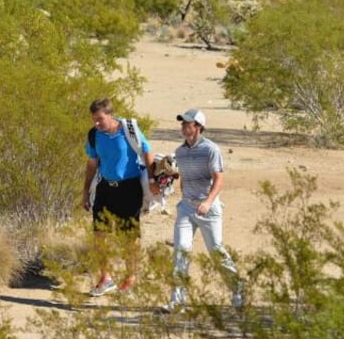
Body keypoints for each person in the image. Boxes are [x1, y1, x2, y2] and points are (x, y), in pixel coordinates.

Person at [163, 108, 242, 312]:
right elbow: (183, 179)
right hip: (186, 207)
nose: (183, 127)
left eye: (187, 123)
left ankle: (238, 288)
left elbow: (219, 179)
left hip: (209, 208)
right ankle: (177, 301)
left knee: (216, 251)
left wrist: (207, 202)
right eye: (182, 123)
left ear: (198, 127)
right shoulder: (179, 152)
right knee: (181, 251)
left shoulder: (210, 149)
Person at [82, 98, 156, 296]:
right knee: (99, 235)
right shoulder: (94, 135)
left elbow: (147, 152)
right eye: (93, 120)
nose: (96, 124)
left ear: (110, 115)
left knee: (129, 237)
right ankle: (105, 278)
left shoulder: (129, 130)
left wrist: (152, 180)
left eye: (100, 119)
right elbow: (91, 164)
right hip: (105, 188)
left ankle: (131, 278)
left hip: (129, 189)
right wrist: (85, 192)